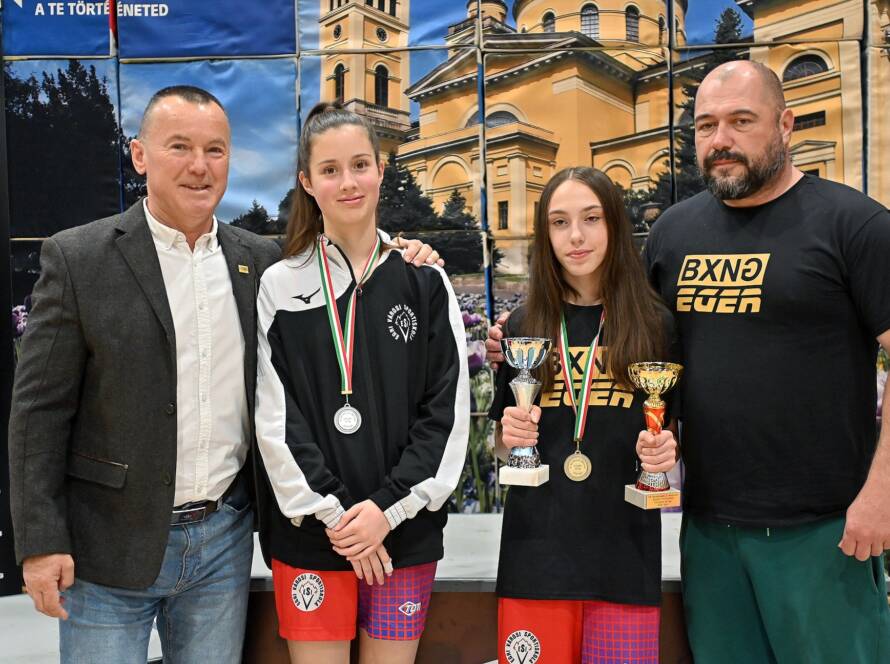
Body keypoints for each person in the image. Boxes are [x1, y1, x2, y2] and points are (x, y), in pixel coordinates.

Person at [8, 85, 440, 663]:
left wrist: (407, 253)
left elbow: (348, 260)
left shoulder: (262, 262)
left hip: (223, 543)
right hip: (109, 545)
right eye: (179, 147)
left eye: (215, 150)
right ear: (139, 155)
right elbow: (38, 413)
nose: (199, 166)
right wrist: (40, 542)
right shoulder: (79, 259)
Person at [491, 60, 890, 663]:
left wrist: (881, 496)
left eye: (741, 121)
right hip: (709, 531)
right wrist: (517, 346)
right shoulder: (675, 233)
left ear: (785, 124)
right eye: (706, 125)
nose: (721, 139)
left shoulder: (854, 223)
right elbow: (620, 333)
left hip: (823, 528)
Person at [253, 102, 470, 664]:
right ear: (307, 181)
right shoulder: (279, 285)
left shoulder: (425, 279)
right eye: (329, 170)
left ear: (380, 169)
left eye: (359, 165)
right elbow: (276, 420)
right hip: (314, 533)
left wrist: (386, 511)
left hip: (403, 531)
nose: (347, 182)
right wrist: (338, 516)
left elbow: (445, 414)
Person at [489, 167, 679, 664]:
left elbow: (669, 436)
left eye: (591, 218)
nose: (575, 236)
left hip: (624, 560)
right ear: (545, 234)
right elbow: (502, 447)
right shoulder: (524, 324)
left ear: (614, 223)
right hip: (536, 559)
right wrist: (509, 437)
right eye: (559, 222)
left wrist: (663, 452)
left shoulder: (655, 325)